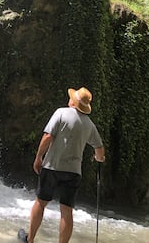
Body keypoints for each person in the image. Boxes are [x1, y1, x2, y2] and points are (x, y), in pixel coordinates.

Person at [18, 87, 105, 243]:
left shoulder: (61, 112)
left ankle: (29, 240)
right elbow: (99, 149)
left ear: (73, 101)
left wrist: (38, 157)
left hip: (52, 166)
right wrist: (98, 158)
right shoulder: (89, 125)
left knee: (41, 202)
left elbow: (47, 137)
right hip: (74, 172)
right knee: (67, 210)